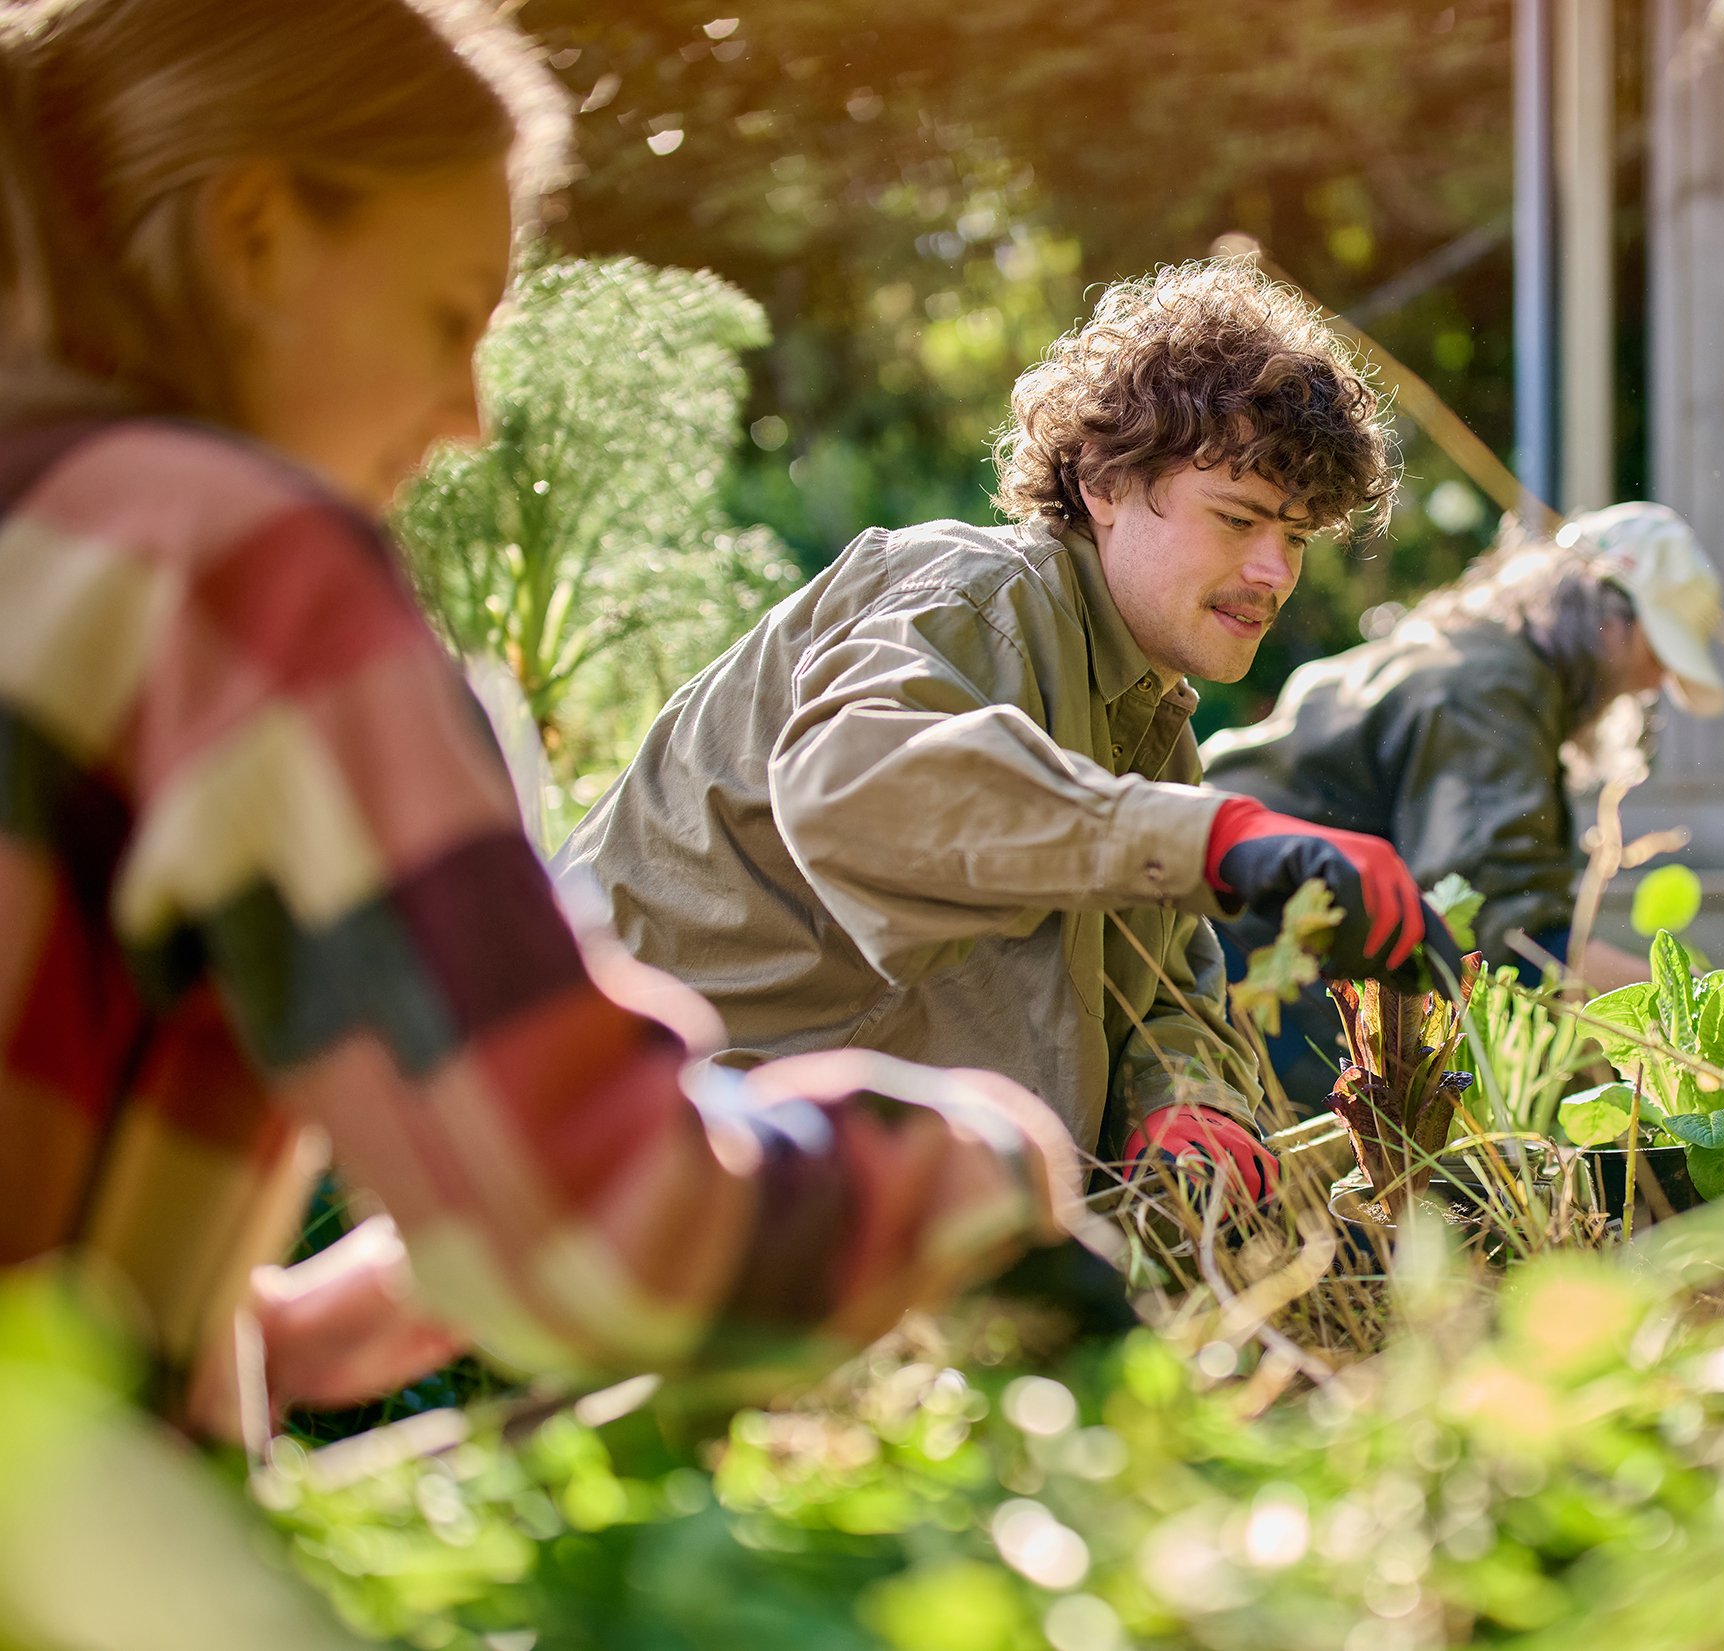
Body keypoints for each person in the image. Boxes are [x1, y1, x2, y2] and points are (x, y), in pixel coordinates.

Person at [0, 0, 1081, 1450]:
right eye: (449, 318)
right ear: (253, 234)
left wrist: (273, 1330)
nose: (466, 416)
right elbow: (619, 1235)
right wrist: (980, 1160)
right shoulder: (236, 567)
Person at [557, 258, 1451, 1203]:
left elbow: (1162, 994)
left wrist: (1186, 1106)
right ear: (1104, 483)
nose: (1274, 570)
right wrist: (1220, 839)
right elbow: (860, 791)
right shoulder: (978, 596)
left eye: (1297, 536)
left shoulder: (1148, 714)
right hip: (633, 1155)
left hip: (838, 1196)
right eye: (1237, 519)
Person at [1199, 501, 1724, 1104]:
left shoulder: (1469, 655)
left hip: (1238, 924)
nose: (1656, 681)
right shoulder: (1488, 692)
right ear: (1603, 616)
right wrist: (1706, 1011)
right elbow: (1504, 938)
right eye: (1659, 651)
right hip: (1241, 944)